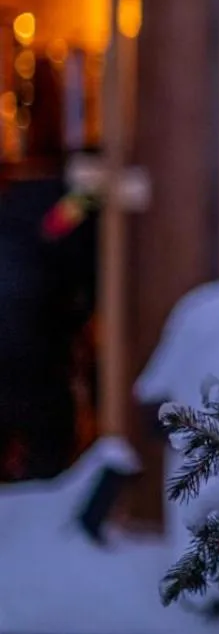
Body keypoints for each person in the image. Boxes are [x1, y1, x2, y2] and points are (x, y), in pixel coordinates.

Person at [0, 60, 97, 481]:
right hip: (37, 351)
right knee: (46, 448)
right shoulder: (68, 203)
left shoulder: (58, 202)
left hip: (31, 343)